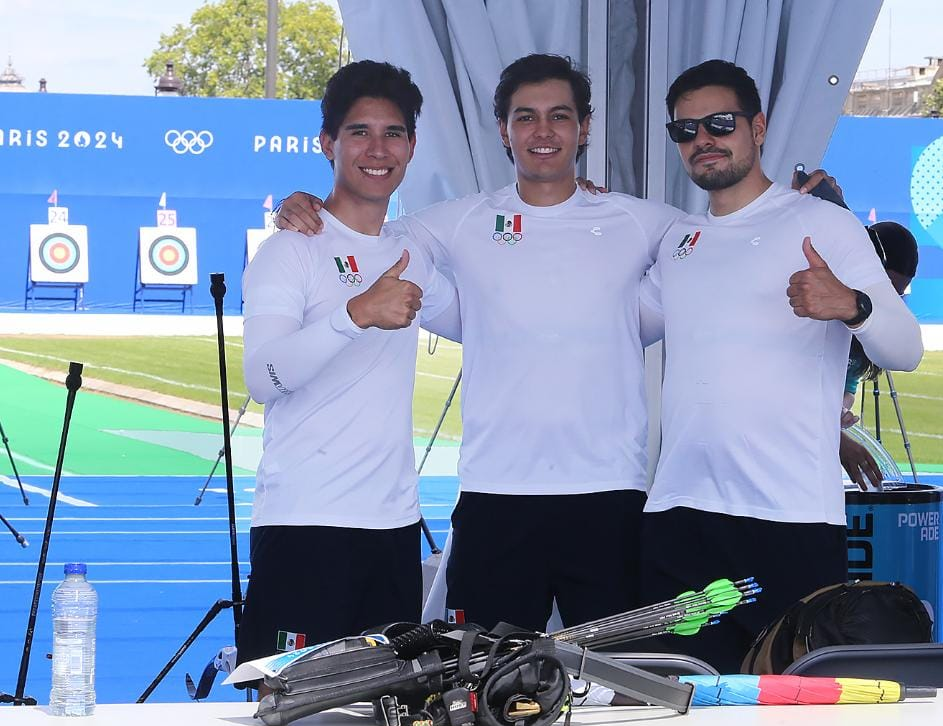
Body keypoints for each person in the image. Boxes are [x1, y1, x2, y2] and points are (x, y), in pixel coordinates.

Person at [274, 55, 838, 635]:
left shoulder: (645, 222)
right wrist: (302, 201)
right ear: (504, 131)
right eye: (526, 117)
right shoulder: (455, 222)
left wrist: (800, 207)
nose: (543, 133)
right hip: (496, 497)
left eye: (559, 117)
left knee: (621, 688)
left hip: (609, 499)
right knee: (481, 686)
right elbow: (363, 229)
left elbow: (736, 236)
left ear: (584, 128)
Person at [635, 59, 923, 672]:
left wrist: (852, 305)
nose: (702, 140)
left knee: (788, 703)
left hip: (788, 518)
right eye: (685, 131)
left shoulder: (822, 224)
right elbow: (615, 329)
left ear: (757, 127)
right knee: (681, 698)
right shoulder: (681, 241)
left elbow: (905, 348)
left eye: (719, 123)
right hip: (680, 516)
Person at [237, 60, 459, 687]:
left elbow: (493, 316)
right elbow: (264, 376)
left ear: (412, 147)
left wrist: (572, 196)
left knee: (386, 709)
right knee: (286, 704)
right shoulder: (290, 247)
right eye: (359, 133)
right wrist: (355, 314)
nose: (378, 149)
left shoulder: (411, 251)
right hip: (305, 524)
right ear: (328, 144)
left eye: (394, 133)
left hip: (390, 531)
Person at [839, 221, 919, 489]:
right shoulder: (816, 303)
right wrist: (836, 439)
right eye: (884, 287)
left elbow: (850, 385)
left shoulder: (873, 327)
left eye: (896, 294)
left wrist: (839, 409)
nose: (889, 300)